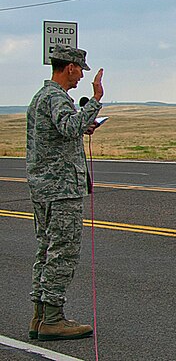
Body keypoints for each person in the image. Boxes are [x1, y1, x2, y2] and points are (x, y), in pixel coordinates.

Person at [26, 45, 102, 341]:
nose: (82, 75)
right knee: (62, 252)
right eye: (80, 69)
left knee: (45, 250)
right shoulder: (56, 97)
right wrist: (95, 101)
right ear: (69, 67)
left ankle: (40, 316)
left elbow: (64, 129)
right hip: (60, 189)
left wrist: (83, 124)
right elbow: (69, 127)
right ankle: (53, 318)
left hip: (46, 187)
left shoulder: (43, 97)